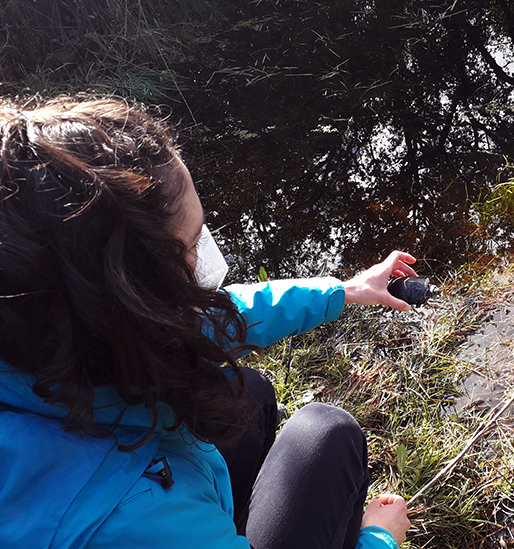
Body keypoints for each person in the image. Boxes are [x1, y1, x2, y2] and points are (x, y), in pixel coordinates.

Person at [0, 96, 413, 548]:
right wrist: (379, 539)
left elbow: (200, 322)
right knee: (327, 434)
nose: (201, 263)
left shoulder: (43, 333)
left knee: (250, 394)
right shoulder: (131, 524)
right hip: (147, 510)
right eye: (191, 245)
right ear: (129, 295)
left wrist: (342, 291)